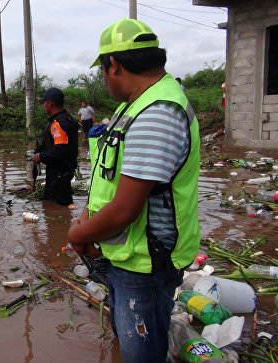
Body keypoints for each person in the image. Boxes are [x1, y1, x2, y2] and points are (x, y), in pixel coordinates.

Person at [67, 19, 200, 363]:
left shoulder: (158, 112)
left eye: (103, 69)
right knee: (129, 343)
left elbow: (126, 208)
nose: (103, 78)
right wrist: (88, 216)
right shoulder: (133, 105)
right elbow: (108, 177)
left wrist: (78, 233)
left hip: (145, 262)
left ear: (114, 64)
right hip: (125, 254)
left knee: (141, 353)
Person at [34, 88, 79, 207]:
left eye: (44, 102)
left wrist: (40, 156)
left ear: (50, 104)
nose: (44, 105)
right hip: (64, 173)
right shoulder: (68, 119)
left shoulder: (58, 124)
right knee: (63, 209)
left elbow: (60, 150)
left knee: (53, 209)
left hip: (58, 176)